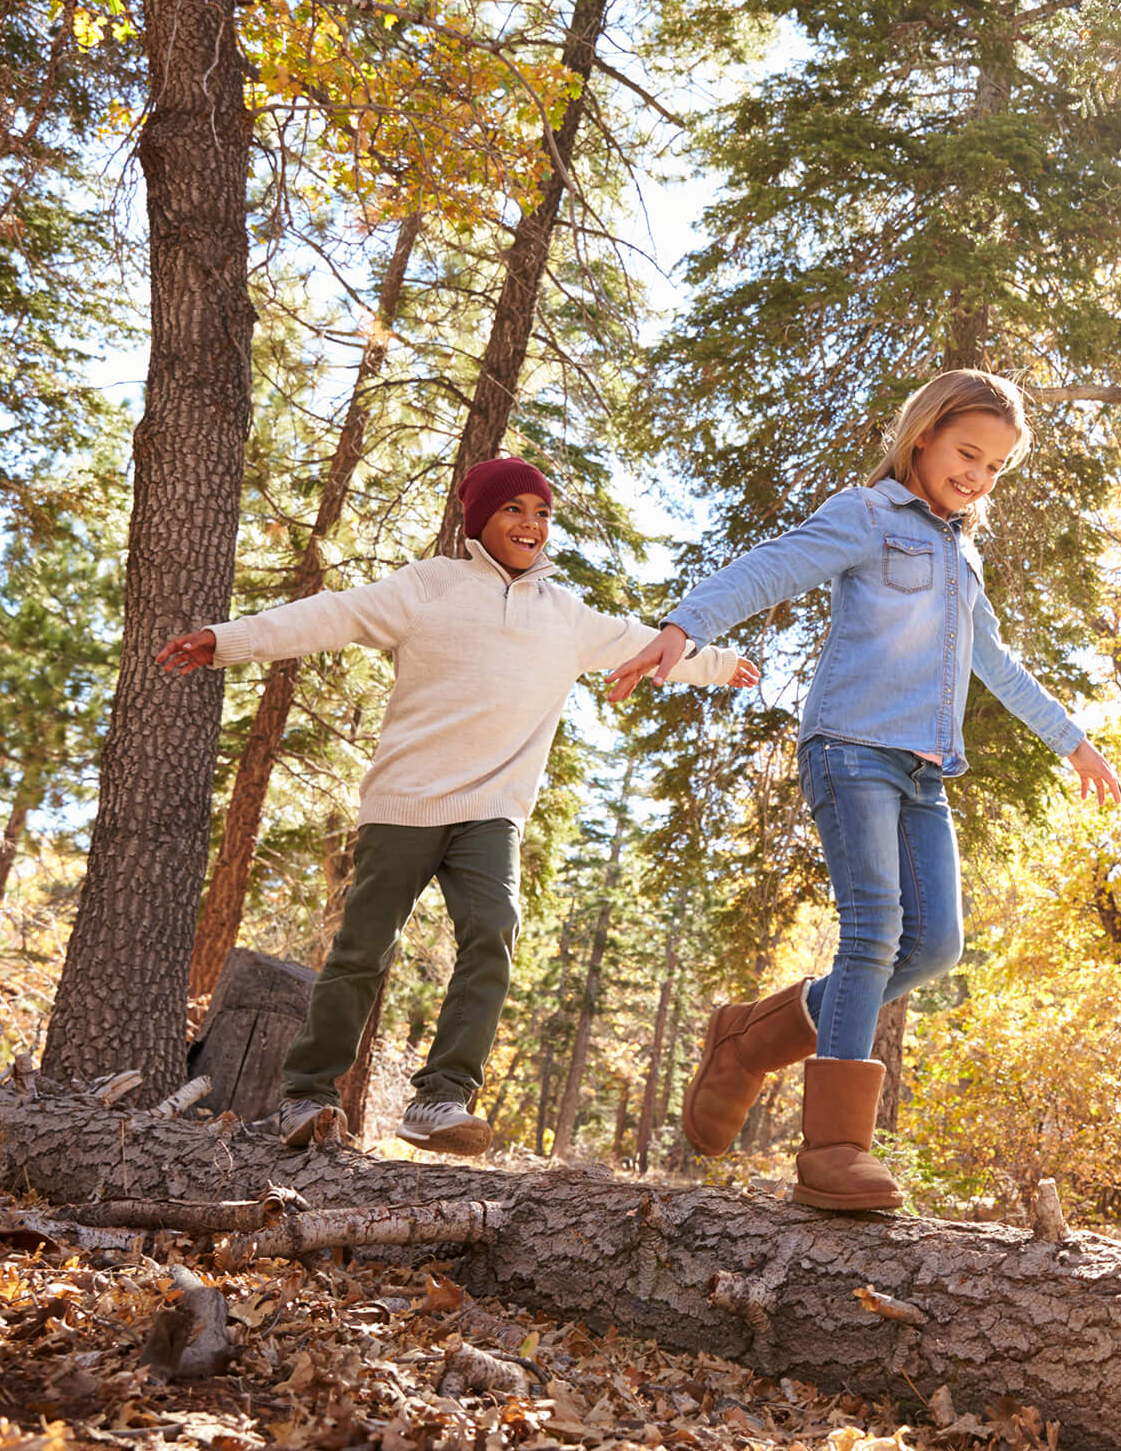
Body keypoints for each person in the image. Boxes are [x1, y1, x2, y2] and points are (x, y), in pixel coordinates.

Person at [608, 369, 1121, 1211]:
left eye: (995, 467)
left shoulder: (963, 554)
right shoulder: (868, 515)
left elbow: (995, 662)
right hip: (851, 749)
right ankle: (835, 1150)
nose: (977, 477)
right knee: (875, 930)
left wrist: (1073, 739)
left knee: (935, 946)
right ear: (922, 434)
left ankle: (749, 1038)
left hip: (924, 771)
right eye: (967, 453)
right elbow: (772, 567)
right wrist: (683, 627)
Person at [155, 456, 755, 1156]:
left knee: (493, 929)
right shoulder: (430, 587)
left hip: (491, 809)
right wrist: (227, 640)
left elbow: (646, 645)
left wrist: (716, 664)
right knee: (360, 953)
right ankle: (306, 1096)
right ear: (480, 520)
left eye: (542, 513)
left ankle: (440, 1098)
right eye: (513, 510)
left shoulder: (566, 616)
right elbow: (333, 615)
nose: (530, 525)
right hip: (405, 802)